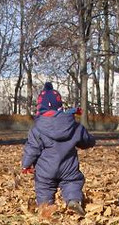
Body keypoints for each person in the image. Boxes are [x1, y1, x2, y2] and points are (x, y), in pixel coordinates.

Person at [22, 82, 95, 216]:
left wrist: (26, 164)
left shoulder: (37, 128)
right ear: (60, 106)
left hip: (45, 169)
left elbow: (32, 148)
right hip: (69, 167)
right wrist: (89, 142)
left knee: (44, 187)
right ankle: (73, 201)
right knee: (72, 182)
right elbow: (86, 140)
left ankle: (47, 207)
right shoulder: (73, 125)